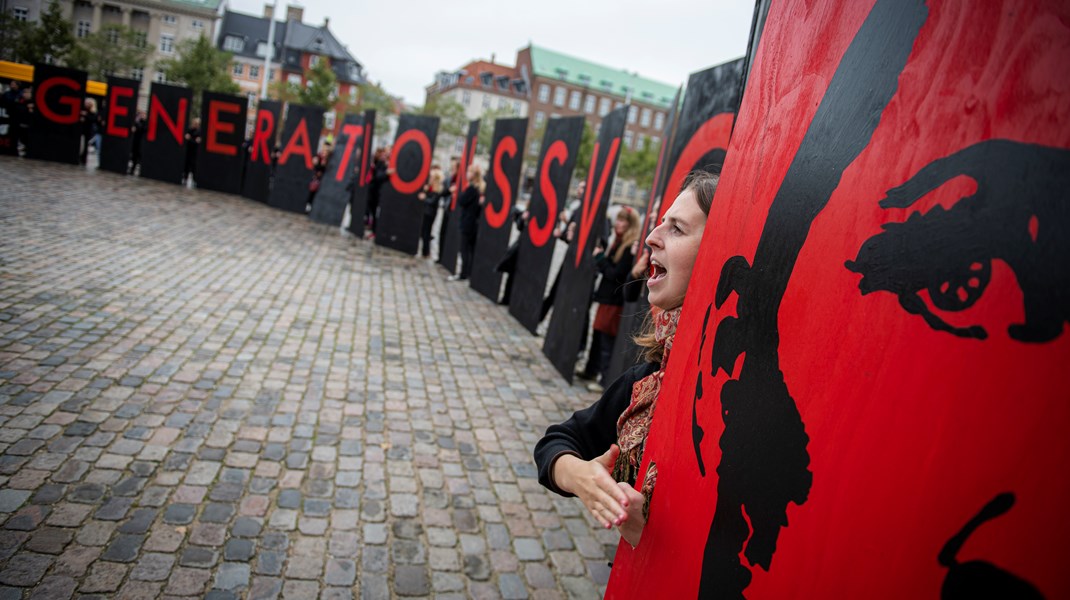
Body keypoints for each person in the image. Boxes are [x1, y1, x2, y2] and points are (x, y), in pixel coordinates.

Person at [534, 170, 718, 549]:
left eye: (678, 229)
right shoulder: (647, 379)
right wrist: (581, 477)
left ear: (719, 252)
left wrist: (649, 534)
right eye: (660, 223)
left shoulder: (741, 393)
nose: (651, 236)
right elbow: (557, 441)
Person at [577, 206, 642, 392]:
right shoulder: (619, 242)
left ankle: (604, 380)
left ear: (631, 225)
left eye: (623, 221)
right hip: (606, 298)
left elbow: (615, 274)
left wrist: (599, 258)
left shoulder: (629, 246)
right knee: (597, 337)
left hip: (614, 301)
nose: (619, 223)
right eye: (618, 219)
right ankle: (591, 370)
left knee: (606, 341)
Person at [450, 163, 486, 281]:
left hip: (468, 222)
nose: (467, 174)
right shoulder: (479, 188)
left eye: (469, 172)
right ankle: (468, 272)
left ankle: (463, 273)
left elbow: (462, 201)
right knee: (470, 249)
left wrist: (457, 192)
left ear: (474, 175)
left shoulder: (472, 189)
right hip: (474, 222)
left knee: (464, 249)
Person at [418, 166, 446, 258]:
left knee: (426, 232)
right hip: (428, 212)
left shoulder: (437, 190)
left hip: (430, 213)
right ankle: (425, 251)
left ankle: (426, 252)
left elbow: (432, 202)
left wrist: (425, 197)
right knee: (425, 232)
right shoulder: (431, 188)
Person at [365, 147, 391, 238]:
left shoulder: (390, 164)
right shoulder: (380, 163)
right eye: (385, 152)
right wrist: (386, 173)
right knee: (374, 211)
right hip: (375, 192)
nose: (386, 154)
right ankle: (374, 230)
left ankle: (375, 230)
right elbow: (378, 176)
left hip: (383, 193)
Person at [79, 98, 101, 165]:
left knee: (85, 145)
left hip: (88, 130)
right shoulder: (84, 110)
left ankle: (83, 159)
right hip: (82, 129)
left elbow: (93, 119)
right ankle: (80, 157)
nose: (87, 104)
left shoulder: (93, 112)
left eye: (88, 103)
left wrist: (86, 115)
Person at [183, 118, 202, 186]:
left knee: (194, 166)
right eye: (194, 123)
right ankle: (185, 178)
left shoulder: (199, 132)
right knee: (187, 165)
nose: (195, 125)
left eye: (197, 124)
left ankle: (194, 180)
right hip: (189, 151)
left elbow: (197, 141)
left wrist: (191, 139)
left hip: (195, 152)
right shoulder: (190, 130)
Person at [129, 111, 147, 175]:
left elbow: (143, 129)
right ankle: (132, 168)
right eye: (141, 114)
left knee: (139, 156)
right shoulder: (137, 121)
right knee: (134, 155)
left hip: (141, 142)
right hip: (136, 141)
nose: (142, 115)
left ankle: (136, 168)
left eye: (143, 114)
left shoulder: (144, 122)